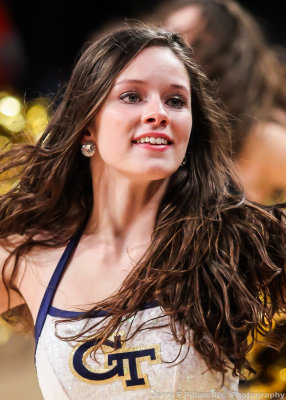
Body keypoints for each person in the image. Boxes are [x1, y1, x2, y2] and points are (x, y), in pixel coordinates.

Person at [0, 27, 286, 399]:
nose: (158, 113)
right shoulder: (28, 253)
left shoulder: (242, 240)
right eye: (132, 96)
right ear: (87, 125)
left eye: (176, 101)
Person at [156, 0, 286, 203]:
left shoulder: (265, 138)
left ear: (223, 58)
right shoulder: (167, 129)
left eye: (180, 41)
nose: (163, 51)